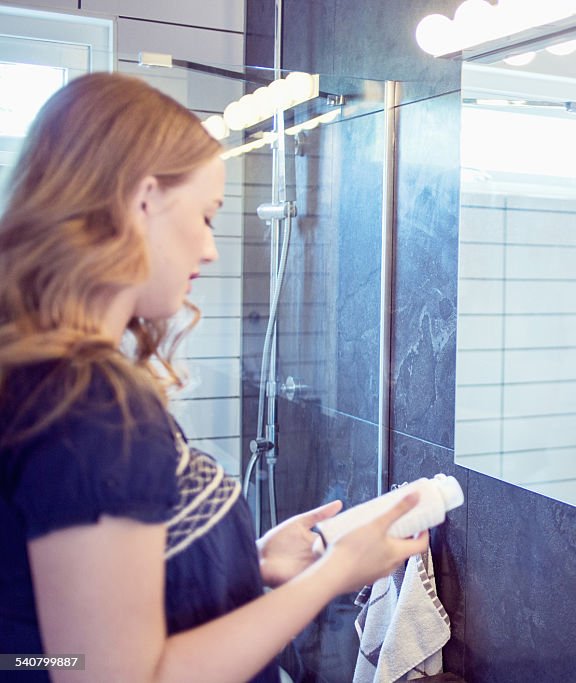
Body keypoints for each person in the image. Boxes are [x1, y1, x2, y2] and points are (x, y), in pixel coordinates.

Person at [0, 73, 428, 682]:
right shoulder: (89, 401)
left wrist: (246, 562)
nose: (210, 250)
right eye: (205, 217)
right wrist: (333, 575)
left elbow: (50, 633)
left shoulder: (42, 379)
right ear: (142, 200)